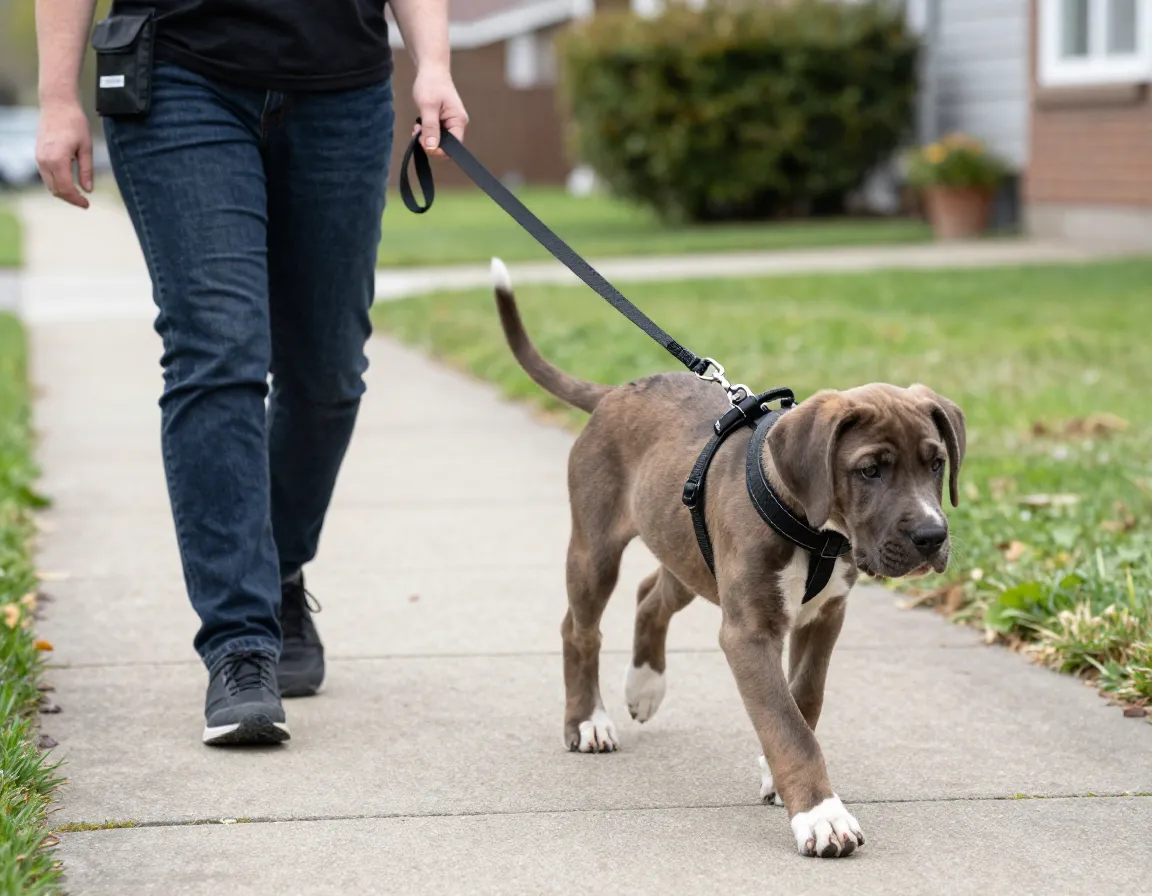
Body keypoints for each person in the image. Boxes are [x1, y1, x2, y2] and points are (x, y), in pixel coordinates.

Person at [34, 0, 467, 746]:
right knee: (217, 350)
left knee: (328, 372)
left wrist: (434, 60)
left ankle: (278, 571)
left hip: (341, 87)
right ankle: (240, 643)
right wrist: (56, 97)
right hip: (178, 74)